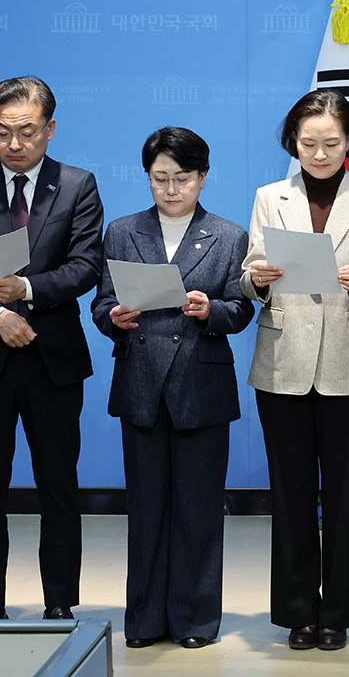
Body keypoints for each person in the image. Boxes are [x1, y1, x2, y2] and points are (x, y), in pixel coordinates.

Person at [241, 89, 349, 650]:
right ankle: (297, 611)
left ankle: (340, 613)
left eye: (332, 142)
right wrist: (256, 278)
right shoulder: (268, 197)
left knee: (348, 494)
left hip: (347, 362)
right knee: (291, 493)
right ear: (293, 143)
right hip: (282, 361)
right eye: (309, 143)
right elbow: (248, 273)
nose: (321, 153)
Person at [90, 127, 253, 649]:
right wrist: (113, 317)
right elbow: (100, 305)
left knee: (199, 510)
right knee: (145, 509)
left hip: (199, 384)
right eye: (160, 178)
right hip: (140, 381)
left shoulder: (228, 236)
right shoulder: (121, 231)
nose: (170, 189)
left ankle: (195, 620)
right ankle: (143, 619)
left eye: (182, 178)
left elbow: (242, 307)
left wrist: (213, 311)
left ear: (202, 178)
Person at [0, 76, 103, 621]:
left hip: (53, 360)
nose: (14, 144)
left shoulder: (77, 185)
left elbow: (87, 266)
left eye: (26, 131)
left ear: (49, 128)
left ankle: (58, 604)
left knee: (58, 485)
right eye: (2, 132)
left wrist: (27, 291)